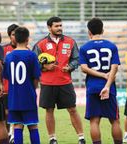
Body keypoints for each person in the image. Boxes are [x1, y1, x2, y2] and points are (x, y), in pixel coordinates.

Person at [33, 16, 85, 144]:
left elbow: (77, 59)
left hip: (65, 82)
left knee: (72, 109)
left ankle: (81, 137)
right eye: (56, 26)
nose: (59, 28)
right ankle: (52, 138)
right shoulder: (40, 44)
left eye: (60, 25)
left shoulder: (70, 41)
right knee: (49, 110)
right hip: (47, 83)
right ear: (49, 28)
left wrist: (71, 66)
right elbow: (33, 62)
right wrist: (44, 66)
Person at [79, 17, 123, 144]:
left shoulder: (84, 48)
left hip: (93, 87)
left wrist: (100, 75)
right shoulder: (111, 46)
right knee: (114, 120)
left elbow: (84, 68)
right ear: (102, 30)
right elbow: (114, 67)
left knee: (94, 120)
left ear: (89, 32)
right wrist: (107, 83)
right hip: (109, 88)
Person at [3, 27, 41, 144]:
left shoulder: (8, 56)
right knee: (32, 125)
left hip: (13, 96)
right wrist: (32, 89)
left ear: (15, 39)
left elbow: (7, 76)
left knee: (17, 125)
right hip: (28, 95)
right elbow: (36, 77)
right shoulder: (31, 55)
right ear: (27, 39)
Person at [3, 23, 19, 144]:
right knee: (6, 113)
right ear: (9, 36)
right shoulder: (3, 50)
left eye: (17, 34)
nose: (15, 36)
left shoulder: (27, 50)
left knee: (17, 112)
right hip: (6, 87)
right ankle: (8, 134)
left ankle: (14, 135)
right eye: (13, 34)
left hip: (20, 89)